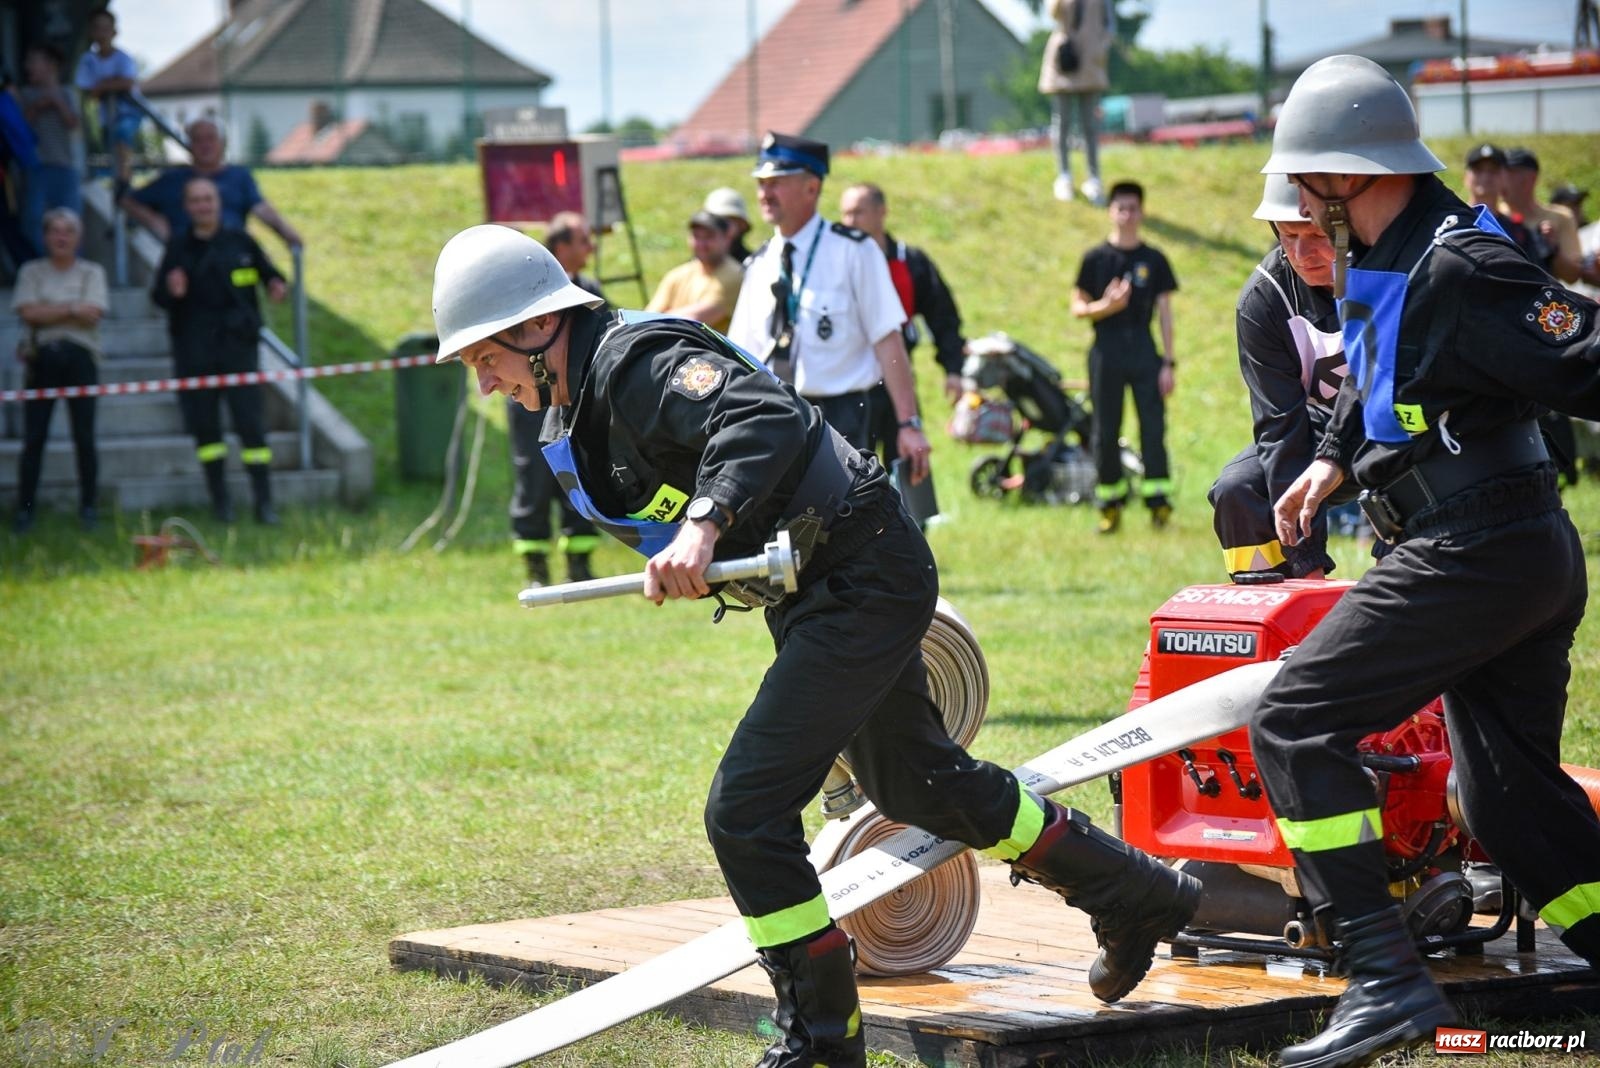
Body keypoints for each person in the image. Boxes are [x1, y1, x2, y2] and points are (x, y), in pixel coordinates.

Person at [430, 222, 1202, 1068]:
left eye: (483, 357)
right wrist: (694, 553)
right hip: (827, 587)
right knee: (918, 782)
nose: (485, 380)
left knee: (744, 809)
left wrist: (702, 523)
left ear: (537, 331)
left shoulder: (637, 367)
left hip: (861, 569)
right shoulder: (585, 406)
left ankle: (823, 1041)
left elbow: (760, 414)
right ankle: (1133, 891)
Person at [1252, 54, 1600, 1068]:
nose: (1302, 215)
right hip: (1499, 547)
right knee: (1506, 799)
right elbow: (1377, 375)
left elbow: (1583, 356)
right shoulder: (1391, 256)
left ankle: (1385, 983)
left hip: (1477, 547)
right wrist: (1327, 467)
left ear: (1344, 175)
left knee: (1295, 719)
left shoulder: (1459, 262)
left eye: (1307, 191)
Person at [726, 132, 930, 481]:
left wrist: (908, 423)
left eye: (776, 182)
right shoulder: (760, 263)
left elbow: (888, 340)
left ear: (811, 188)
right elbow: (742, 356)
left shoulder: (854, 251)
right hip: (777, 415)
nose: (765, 193)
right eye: (761, 183)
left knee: (842, 527)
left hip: (843, 416)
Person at [1209, 173, 1350, 581]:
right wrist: (1306, 565)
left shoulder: (1388, 270)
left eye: (1315, 235)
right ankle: (1273, 619)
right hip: (1315, 430)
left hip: (1396, 428)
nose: (1302, 253)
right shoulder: (1263, 300)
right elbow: (1280, 428)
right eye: (1287, 237)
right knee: (1237, 489)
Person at [151, 177, 287, 524]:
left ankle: (264, 504)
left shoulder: (240, 240)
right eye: (195, 200)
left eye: (207, 199)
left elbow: (271, 274)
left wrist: (274, 284)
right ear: (187, 207)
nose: (202, 206)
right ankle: (221, 505)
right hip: (194, 352)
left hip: (238, 350)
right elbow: (159, 297)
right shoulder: (178, 247)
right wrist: (173, 290)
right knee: (206, 431)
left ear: (218, 203)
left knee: (251, 427)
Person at [1070, 180, 1177, 533]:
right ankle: (1110, 503)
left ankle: (1158, 501)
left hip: (1144, 349)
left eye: (1133, 208)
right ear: (1110, 212)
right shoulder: (1095, 259)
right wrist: (1108, 306)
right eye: (1121, 208)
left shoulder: (1154, 259)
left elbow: (1164, 313)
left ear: (1142, 212)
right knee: (1105, 429)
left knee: (1152, 426)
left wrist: (1168, 362)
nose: (1127, 215)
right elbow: (1078, 308)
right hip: (1106, 351)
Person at [837, 182, 966, 464]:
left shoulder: (911, 262)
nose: (849, 222)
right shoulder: (834, 264)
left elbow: (943, 317)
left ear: (881, 212)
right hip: (851, 386)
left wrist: (953, 369)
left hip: (898, 379)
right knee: (854, 469)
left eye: (858, 212)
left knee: (909, 464)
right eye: (845, 214)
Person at [507, 210, 602, 586]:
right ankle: (536, 568)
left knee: (578, 474)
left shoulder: (590, 291)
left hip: (575, 403)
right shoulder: (527, 293)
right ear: (560, 246)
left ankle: (579, 564)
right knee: (533, 478)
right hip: (529, 402)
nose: (591, 248)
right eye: (582, 241)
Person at [11, 207, 108, 532]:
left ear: (78, 238)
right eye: (55, 230)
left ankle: (89, 508)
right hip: (42, 358)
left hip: (82, 359)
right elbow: (28, 314)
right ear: (45, 236)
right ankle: (24, 511)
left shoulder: (92, 272)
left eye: (68, 231)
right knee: (34, 438)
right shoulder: (31, 271)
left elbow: (94, 312)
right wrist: (71, 308)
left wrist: (49, 310)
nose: (61, 237)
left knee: (85, 437)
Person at [121, 117, 303, 248]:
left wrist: (285, 232)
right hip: (186, 256)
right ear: (189, 145)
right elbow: (128, 200)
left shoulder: (239, 177)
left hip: (230, 253)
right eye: (198, 140)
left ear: (222, 144)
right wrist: (155, 222)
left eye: (210, 138)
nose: (205, 145)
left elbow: (260, 208)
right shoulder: (172, 179)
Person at [1038, 0, 1113, 204]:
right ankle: (1064, 176)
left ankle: (1094, 179)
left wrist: (1101, 47)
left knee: (1090, 125)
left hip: (1091, 60)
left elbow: (1109, 24)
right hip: (1065, 57)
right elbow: (1053, 14)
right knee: (1062, 122)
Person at [18, 43, 82, 254]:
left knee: (71, 220)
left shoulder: (67, 93)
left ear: (51, 65)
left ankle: (71, 266)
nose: (28, 67)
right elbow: (19, 126)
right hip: (36, 166)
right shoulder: (26, 94)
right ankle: (43, 263)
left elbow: (74, 123)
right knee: (33, 218)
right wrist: (39, 105)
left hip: (64, 165)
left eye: (33, 61)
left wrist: (57, 102)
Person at [645, 209, 744, 333]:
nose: (701, 244)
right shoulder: (677, 275)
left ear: (727, 239)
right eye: (696, 236)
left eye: (709, 237)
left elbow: (692, 321)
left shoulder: (734, 276)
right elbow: (646, 319)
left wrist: (661, 317)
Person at [73, 7, 140, 188]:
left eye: (106, 28)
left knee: (122, 134)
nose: (102, 33)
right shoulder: (88, 60)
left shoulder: (123, 58)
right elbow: (86, 89)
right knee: (111, 146)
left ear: (114, 32)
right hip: (106, 116)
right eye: (97, 27)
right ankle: (119, 182)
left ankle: (124, 182)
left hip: (129, 111)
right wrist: (111, 83)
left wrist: (102, 85)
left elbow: (127, 83)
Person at [1502, 147, 1583, 284]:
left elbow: (1572, 276)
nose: (1502, 178)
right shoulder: (1489, 216)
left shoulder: (1560, 217)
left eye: (1510, 172)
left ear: (1532, 178)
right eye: (1499, 172)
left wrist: (1553, 249)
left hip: (1545, 300)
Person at [1459, 143, 1536, 257]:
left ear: (1505, 177)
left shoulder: (1517, 230)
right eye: (1478, 170)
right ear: (1466, 176)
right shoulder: (1453, 221)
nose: (1485, 177)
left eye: (1493, 170)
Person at [1550, 182, 1600, 297]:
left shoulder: (1596, 230)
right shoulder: (1550, 240)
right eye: (1569, 205)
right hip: (1571, 303)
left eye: (1578, 203)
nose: (1576, 209)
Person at [704, 186, 754, 266]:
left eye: (727, 221)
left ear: (741, 225)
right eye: (716, 222)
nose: (720, 228)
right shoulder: (690, 271)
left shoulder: (755, 267)